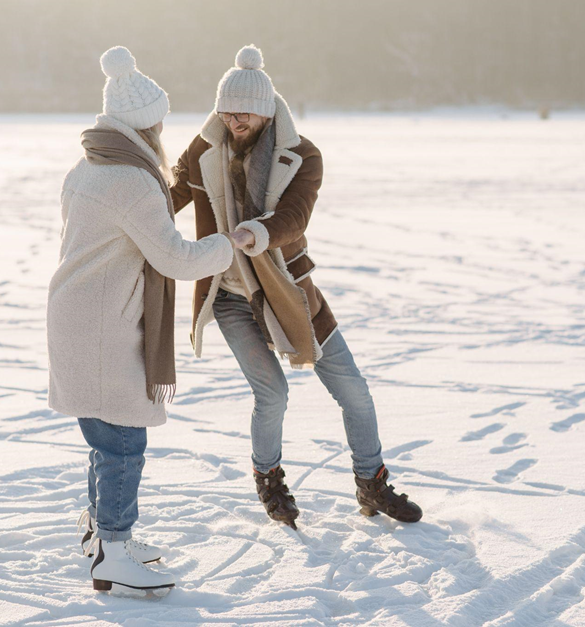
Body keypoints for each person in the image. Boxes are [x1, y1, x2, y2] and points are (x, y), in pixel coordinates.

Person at [170, 45, 423, 529]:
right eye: (225, 108)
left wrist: (256, 233)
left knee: (354, 391)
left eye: (242, 110)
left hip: (289, 290)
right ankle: (269, 480)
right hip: (229, 296)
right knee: (273, 395)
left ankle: (371, 482)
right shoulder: (205, 148)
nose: (231, 118)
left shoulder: (302, 155)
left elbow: (295, 215)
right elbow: (170, 196)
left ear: (265, 111)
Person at [47, 46, 252, 595]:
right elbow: (176, 259)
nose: (163, 129)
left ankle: (102, 534)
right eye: (159, 121)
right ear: (145, 127)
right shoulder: (133, 180)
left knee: (103, 435)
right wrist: (227, 245)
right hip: (102, 326)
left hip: (79, 314)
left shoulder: (87, 165)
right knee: (122, 442)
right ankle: (113, 548)